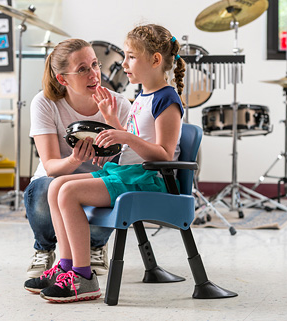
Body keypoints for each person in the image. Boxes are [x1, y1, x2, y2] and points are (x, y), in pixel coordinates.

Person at [26, 23, 186, 303]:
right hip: (129, 173)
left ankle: (84, 276)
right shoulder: (142, 97)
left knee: (69, 192)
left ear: (155, 60)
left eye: (130, 57)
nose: (122, 64)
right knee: (56, 187)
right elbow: (135, 138)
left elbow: (163, 154)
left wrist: (122, 133)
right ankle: (64, 267)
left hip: (147, 179)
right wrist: (112, 121)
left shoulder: (167, 99)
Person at [24, 39, 131, 279]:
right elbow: (51, 166)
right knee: (45, 188)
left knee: (114, 187)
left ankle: (95, 246)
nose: (94, 74)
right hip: (56, 178)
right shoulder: (45, 103)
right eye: (83, 69)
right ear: (62, 79)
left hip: (95, 181)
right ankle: (44, 248)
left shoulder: (120, 104)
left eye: (95, 64)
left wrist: (113, 134)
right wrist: (74, 160)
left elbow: (129, 161)